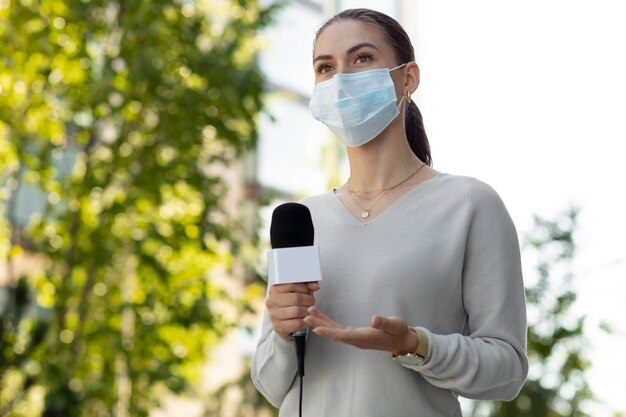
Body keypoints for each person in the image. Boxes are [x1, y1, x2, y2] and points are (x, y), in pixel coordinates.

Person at [251, 8, 528, 417]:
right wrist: (281, 333)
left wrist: (416, 344)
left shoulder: (468, 205)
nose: (341, 78)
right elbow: (272, 386)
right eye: (325, 67)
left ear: (408, 78)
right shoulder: (302, 218)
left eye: (362, 58)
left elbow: (506, 371)